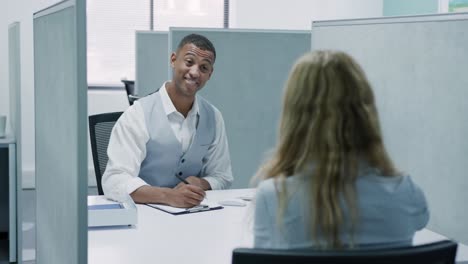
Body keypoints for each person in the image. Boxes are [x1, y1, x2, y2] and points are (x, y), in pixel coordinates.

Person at [253, 50, 429, 249]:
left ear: (294, 116)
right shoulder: (405, 191)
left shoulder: (275, 197)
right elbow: (420, 221)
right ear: (365, 112)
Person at [102, 34, 233, 208]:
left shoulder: (213, 117)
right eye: (189, 62)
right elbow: (114, 180)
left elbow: (222, 177)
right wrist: (168, 196)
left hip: (193, 217)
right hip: (144, 216)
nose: (194, 72)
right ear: (173, 60)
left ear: (210, 74)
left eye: (203, 67)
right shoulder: (138, 114)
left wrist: (201, 183)